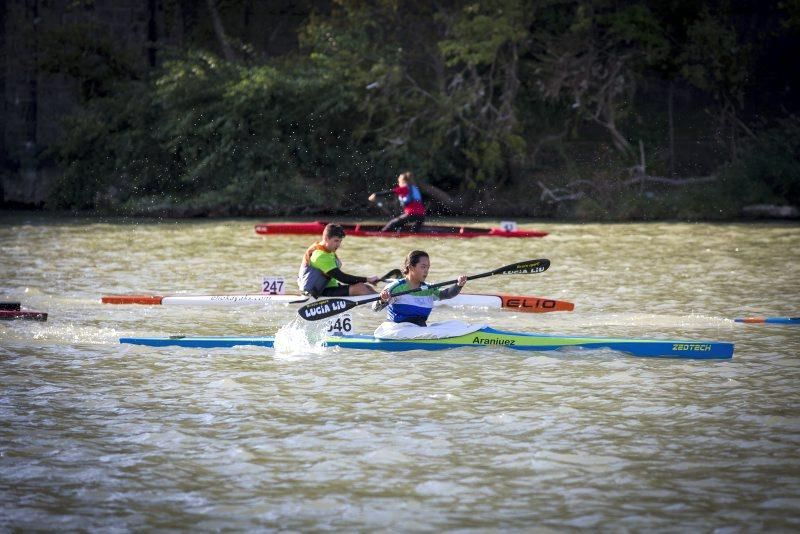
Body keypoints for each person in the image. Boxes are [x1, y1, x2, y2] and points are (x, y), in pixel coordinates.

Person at [372, 250, 467, 326]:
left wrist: (458, 285)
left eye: (428, 267)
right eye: (423, 267)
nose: (426, 271)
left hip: (418, 329)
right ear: (411, 267)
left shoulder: (429, 289)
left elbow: (447, 294)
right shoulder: (396, 287)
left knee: (453, 325)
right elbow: (375, 308)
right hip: (397, 330)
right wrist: (383, 300)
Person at [297, 223, 380, 297]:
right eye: (336, 241)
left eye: (340, 241)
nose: (338, 245)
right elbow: (342, 278)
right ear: (326, 238)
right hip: (316, 292)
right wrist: (368, 279)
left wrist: (366, 282)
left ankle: (383, 301)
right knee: (360, 288)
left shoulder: (328, 249)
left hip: (329, 287)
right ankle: (381, 303)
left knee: (365, 286)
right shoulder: (320, 255)